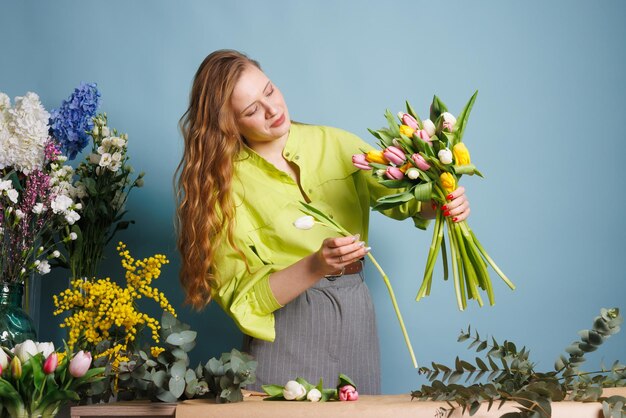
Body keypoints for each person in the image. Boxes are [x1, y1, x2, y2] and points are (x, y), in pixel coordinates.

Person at [175, 49, 470, 394]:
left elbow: (404, 200)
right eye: (252, 110)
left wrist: (442, 203)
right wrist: (315, 265)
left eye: (269, 91)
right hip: (287, 324)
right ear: (230, 124)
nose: (272, 110)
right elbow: (242, 300)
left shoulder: (337, 143)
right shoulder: (223, 190)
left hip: (355, 309)